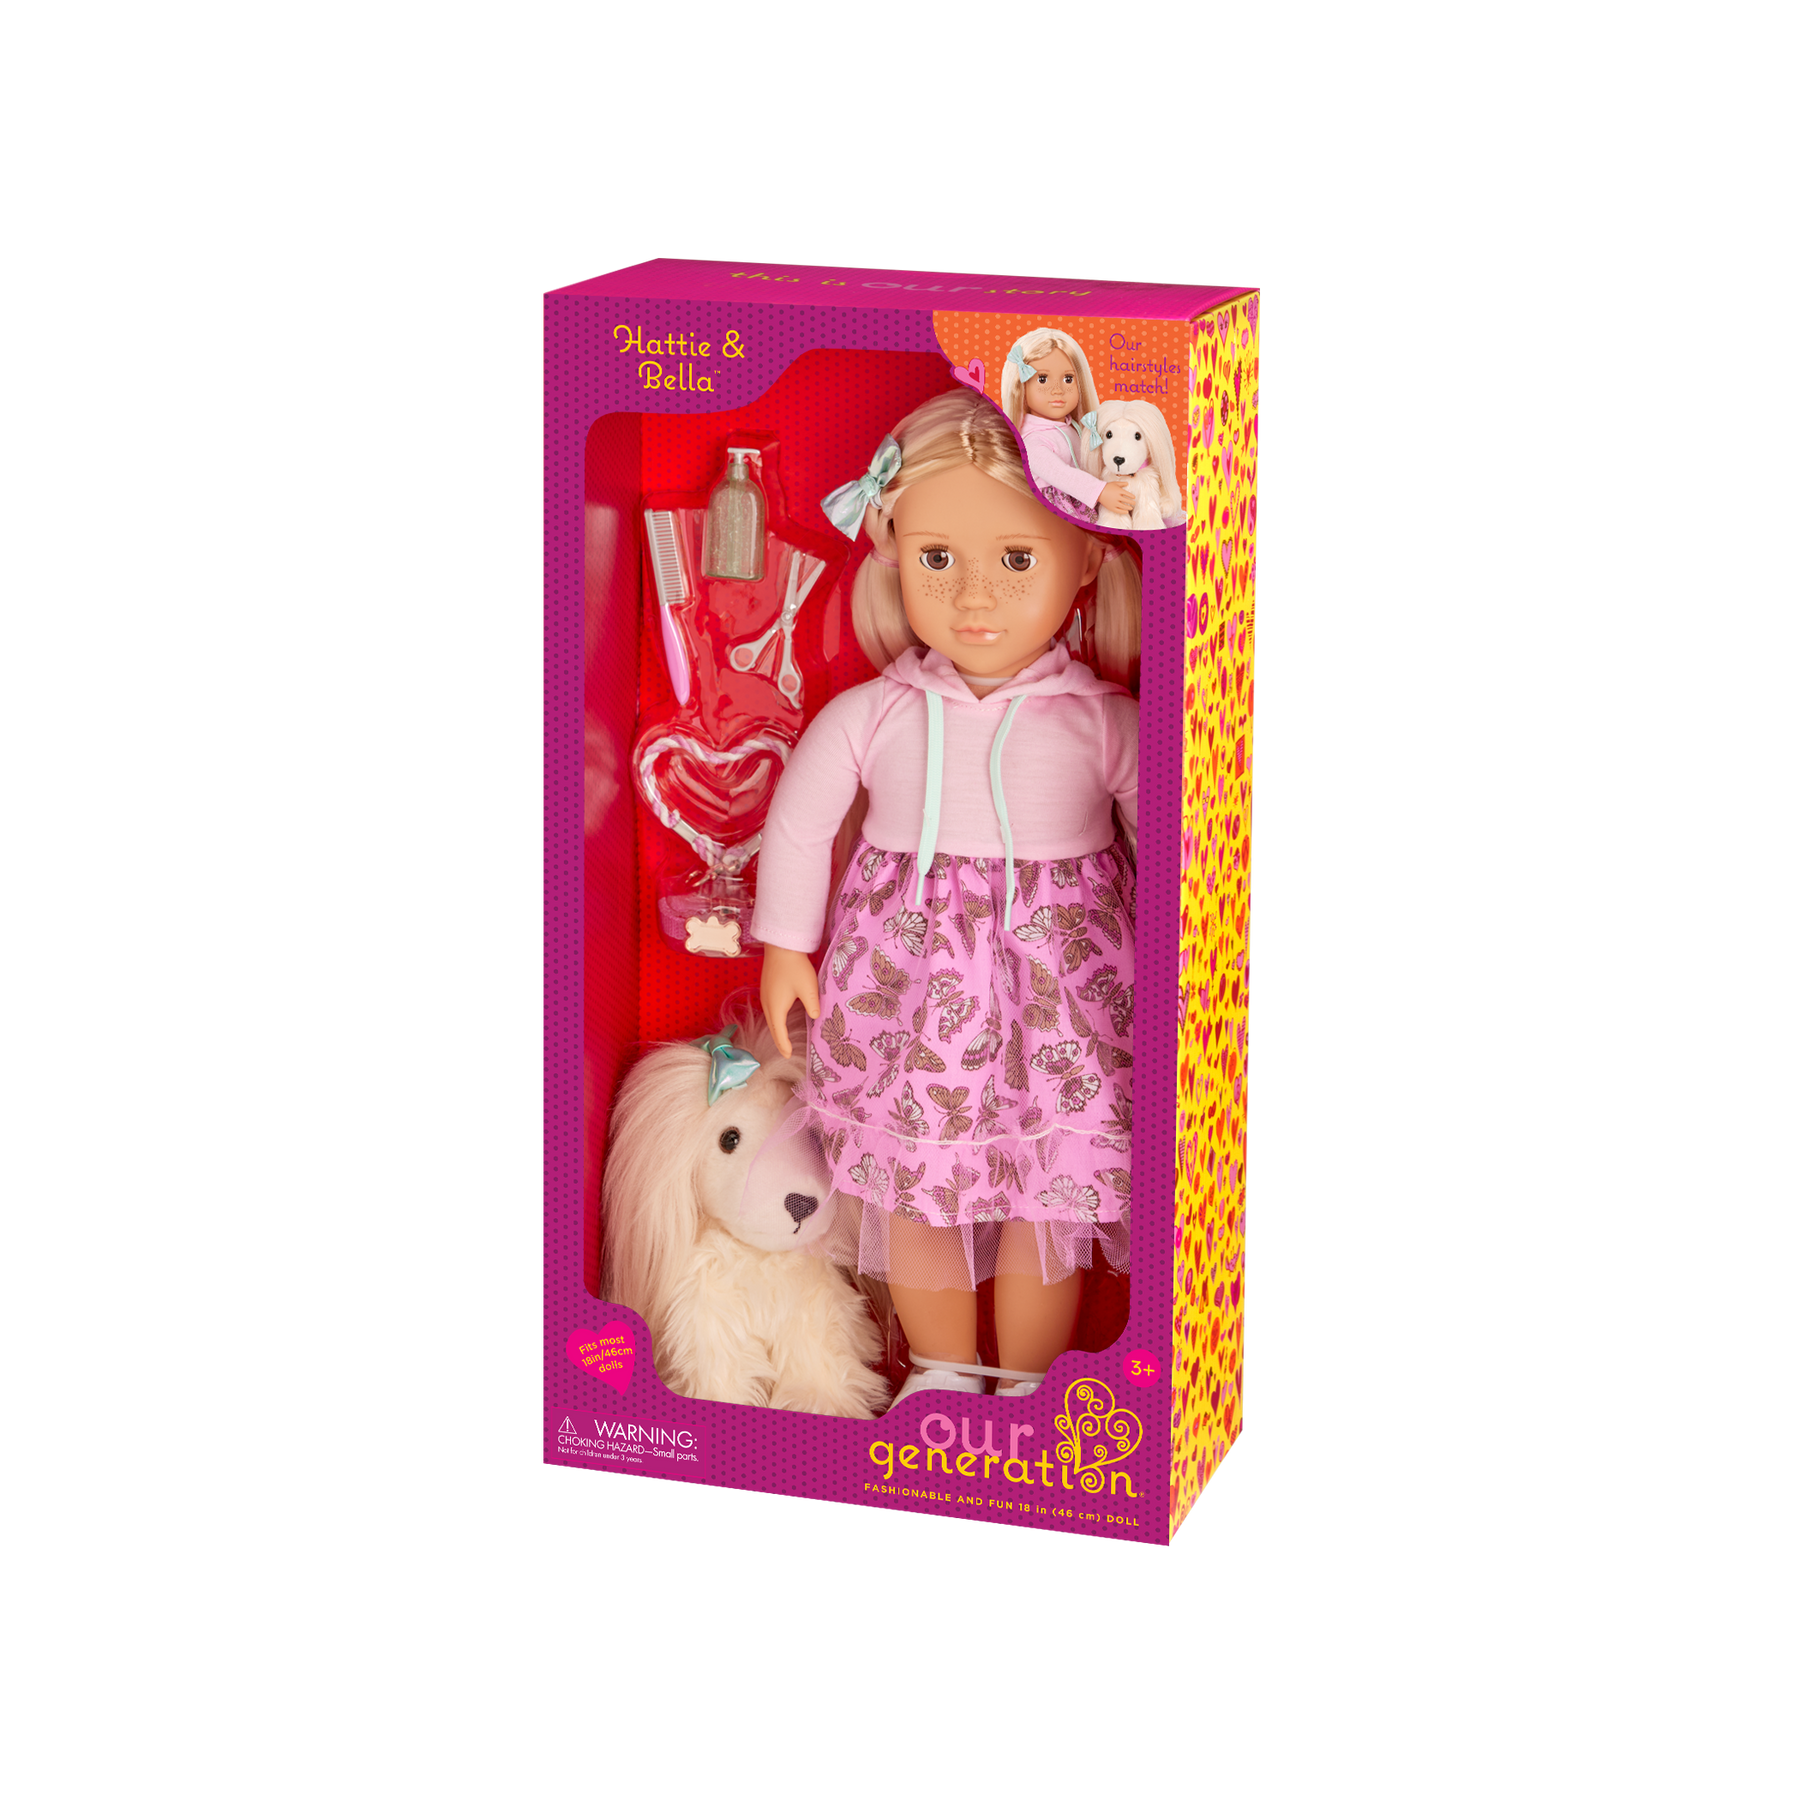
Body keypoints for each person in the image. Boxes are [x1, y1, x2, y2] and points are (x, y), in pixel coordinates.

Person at [751, 388, 1139, 1404]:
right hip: (910, 998)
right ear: (891, 553)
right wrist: (786, 944)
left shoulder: (1106, 722)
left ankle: (1029, 1383)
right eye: (937, 558)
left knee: (1048, 1191)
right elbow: (799, 824)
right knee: (916, 1189)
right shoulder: (877, 714)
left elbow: (1185, 840)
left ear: (1087, 560)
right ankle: (941, 1372)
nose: (974, 593)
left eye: (1016, 559)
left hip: (1063, 999)